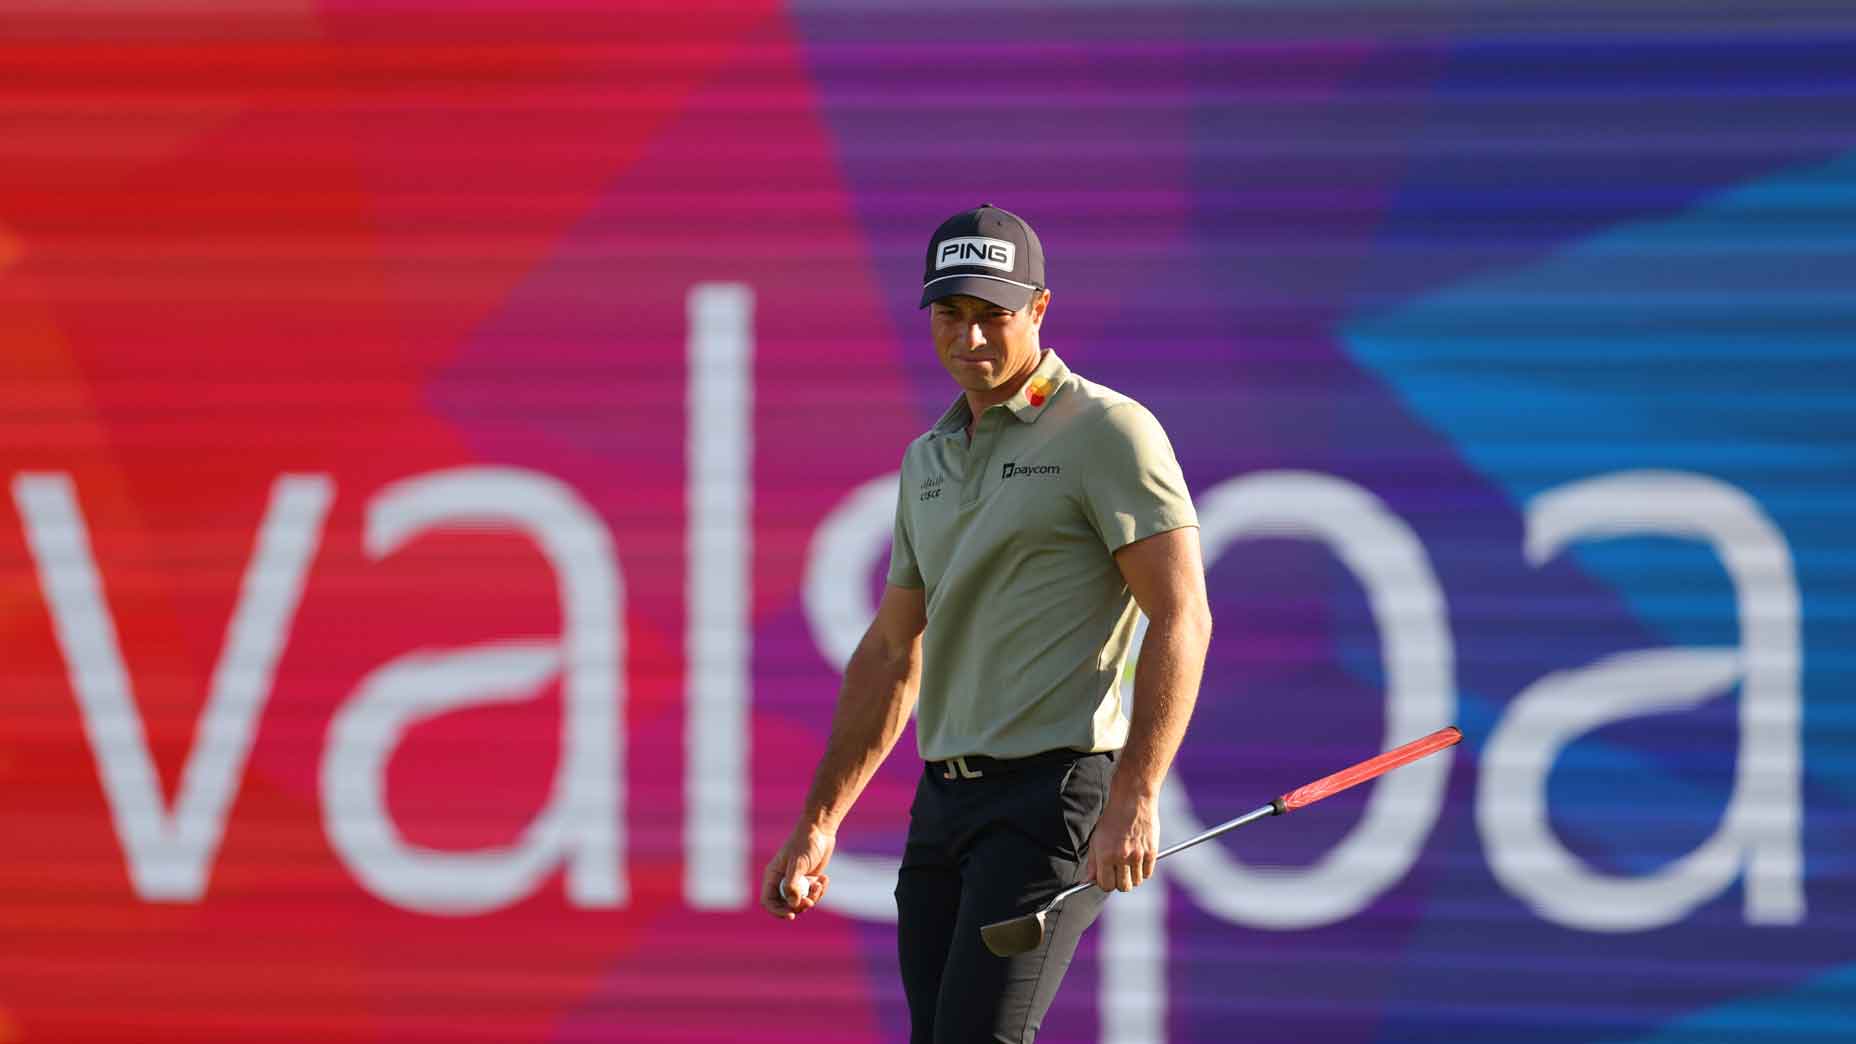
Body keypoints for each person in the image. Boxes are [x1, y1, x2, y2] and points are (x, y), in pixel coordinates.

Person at [760, 203, 1213, 1043]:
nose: (968, 338)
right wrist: (820, 821)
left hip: (1052, 798)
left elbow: (1182, 616)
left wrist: (1136, 797)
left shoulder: (1108, 430)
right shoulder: (926, 459)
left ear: (1039, 309)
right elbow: (895, 650)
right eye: (950, 314)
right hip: (943, 805)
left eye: (992, 316)